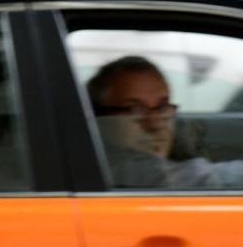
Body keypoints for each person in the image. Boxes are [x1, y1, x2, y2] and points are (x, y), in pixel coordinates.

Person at [87, 55, 243, 188]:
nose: (155, 124)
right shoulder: (119, 169)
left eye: (162, 107)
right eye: (133, 109)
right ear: (97, 117)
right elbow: (203, 178)